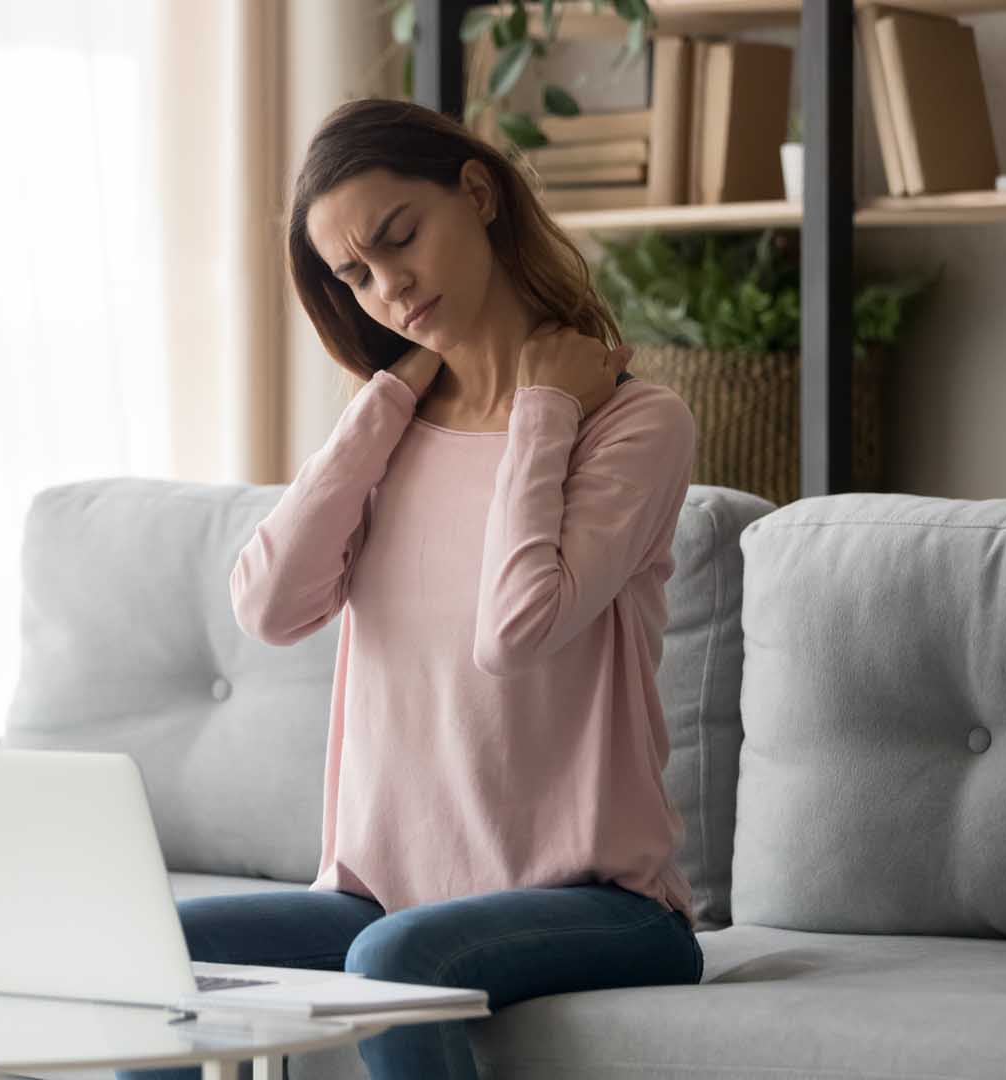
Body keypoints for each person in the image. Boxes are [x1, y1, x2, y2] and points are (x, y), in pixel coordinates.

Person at [118, 97, 701, 1080]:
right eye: (356, 276)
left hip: (603, 905)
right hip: (381, 894)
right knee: (140, 944)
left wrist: (544, 407)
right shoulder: (390, 430)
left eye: (401, 239)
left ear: (476, 195)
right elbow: (267, 607)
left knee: (395, 958)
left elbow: (518, 628)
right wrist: (388, 394)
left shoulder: (632, 423)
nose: (389, 287)